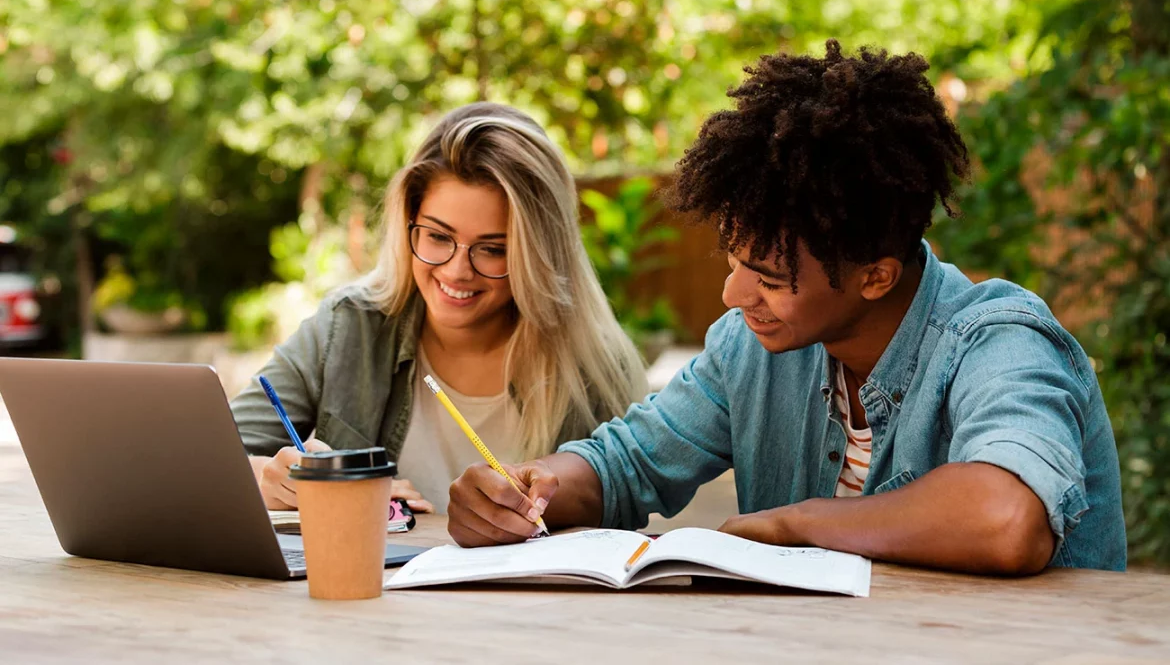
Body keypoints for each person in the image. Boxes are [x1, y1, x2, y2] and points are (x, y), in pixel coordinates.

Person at [447, 41, 1127, 574]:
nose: (734, 295)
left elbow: (1006, 519)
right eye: (733, 260)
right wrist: (530, 487)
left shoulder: (1002, 343)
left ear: (875, 276)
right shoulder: (751, 349)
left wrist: (792, 526)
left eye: (769, 277)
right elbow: (627, 464)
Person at [231, 102, 647, 514]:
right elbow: (201, 458)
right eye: (437, 236)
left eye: (492, 249)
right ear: (408, 219)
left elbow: (616, 529)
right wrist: (266, 479)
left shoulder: (594, 370)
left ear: (539, 253)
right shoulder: (349, 327)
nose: (457, 270)